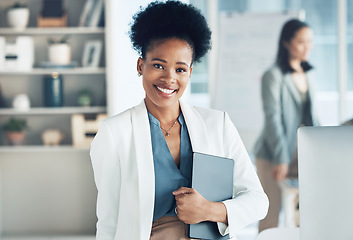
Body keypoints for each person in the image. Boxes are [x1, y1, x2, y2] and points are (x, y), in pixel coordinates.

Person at [90, 1, 268, 239]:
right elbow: (108, 220)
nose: (169, 78)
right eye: (158, 65)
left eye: (180, 69)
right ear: (140, 65)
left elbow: (258, 201)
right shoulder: (115, 134)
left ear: (191, 72)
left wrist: (209, 209)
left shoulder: (218, 124)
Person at [253, 19, 319, 232]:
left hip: (300, 156)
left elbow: (313, 118)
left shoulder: (309, 73)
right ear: (286, 43)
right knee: (271, 214)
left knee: (305, 212)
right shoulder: (273, 76)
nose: (307, 46)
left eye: (310, 41)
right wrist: (281, 157)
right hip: (272, 154)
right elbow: (273, 119)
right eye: (301, 41)